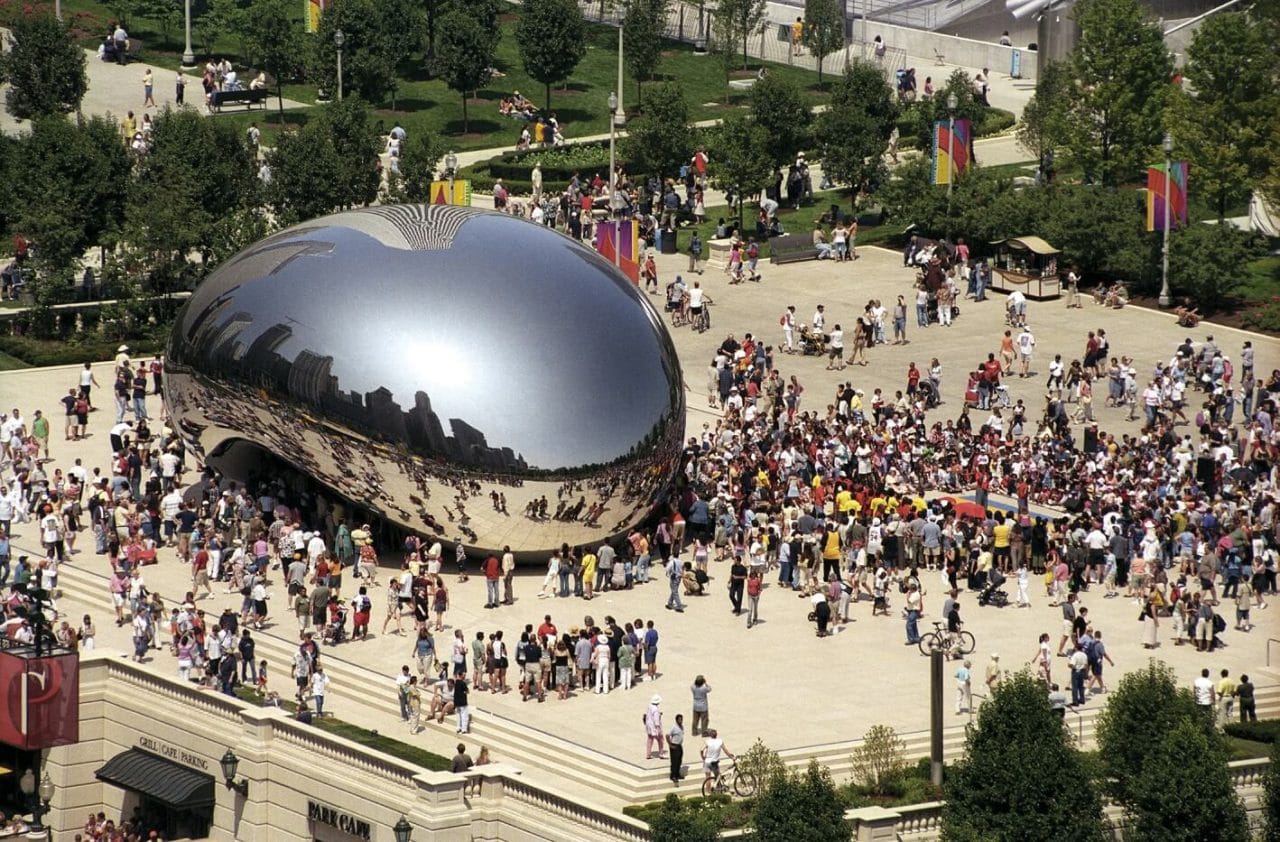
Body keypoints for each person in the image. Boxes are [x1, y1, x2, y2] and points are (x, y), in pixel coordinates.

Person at [644, 694, 664, 759]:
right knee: (660, 740)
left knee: (650, 740)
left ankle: (648, 754)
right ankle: (661, 753)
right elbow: (656, 720)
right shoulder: (655, 709)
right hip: (654, 728)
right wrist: (658, 728)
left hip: (649, 726)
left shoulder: (649, 706)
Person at [667, 713, 685, 784]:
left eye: (682, 719)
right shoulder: (674, 727)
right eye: (680, 719)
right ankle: (673, 776)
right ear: (676, 720)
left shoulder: (681, 727)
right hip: (674, 746)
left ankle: (678, 774)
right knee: (674, 761)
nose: (681, 721)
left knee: (679, 760)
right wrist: (670, 744)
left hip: (679, 745)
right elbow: (667, 735)